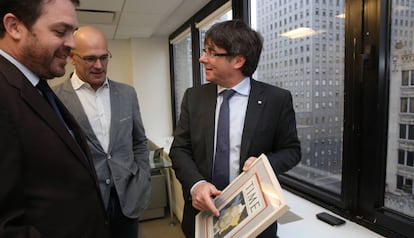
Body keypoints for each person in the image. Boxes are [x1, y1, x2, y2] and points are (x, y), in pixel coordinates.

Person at [169, 19, 301, 238]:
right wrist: (196, 185)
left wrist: (265, 163)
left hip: (254, 221)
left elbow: (292, 151)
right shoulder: (194, 97)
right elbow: (179, 149)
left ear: (238, 60)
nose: (202, 59)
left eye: (211, 53)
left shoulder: (276, 100)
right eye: (204, 51)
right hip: (202, 217)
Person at [0, 0, 110, 237]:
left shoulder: (36, 86)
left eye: (73, 32)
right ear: (14, 27)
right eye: (60, 31)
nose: (72, 44)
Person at [53, 25, 151, 238]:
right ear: (72, 57)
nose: (99, 65)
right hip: (84, 205)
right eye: (89, 59)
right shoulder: (55, 99)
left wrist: (143, 176)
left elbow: (139, 141)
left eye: (104, 57)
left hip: (127, 200)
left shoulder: (127, 94)